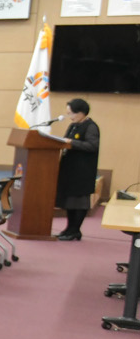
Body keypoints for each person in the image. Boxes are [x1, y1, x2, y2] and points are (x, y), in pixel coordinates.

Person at [53, 98, 101, 241]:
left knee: (79, 202)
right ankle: (69, 229)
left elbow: (92, 146)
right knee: (69, 202)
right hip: (69, 169)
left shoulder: (91, 127)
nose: (69, 116)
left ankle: (75, 230)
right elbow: (66, 141)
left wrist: (72, 143)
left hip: (82, 171)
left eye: (71, 113)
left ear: (81, 113)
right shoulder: (73, 126)